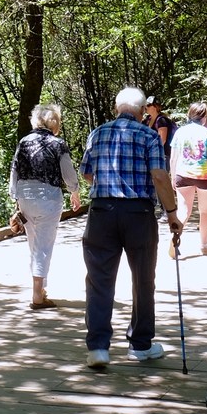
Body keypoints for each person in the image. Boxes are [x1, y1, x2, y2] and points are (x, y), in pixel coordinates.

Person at [78, 86, 182, 369]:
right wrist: (172, 213)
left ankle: (98, 347)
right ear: (141, 112)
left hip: (101, 212)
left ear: (116, 109)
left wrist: (109, 181)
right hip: (138, 212)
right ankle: (140, 344)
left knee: (99, 279)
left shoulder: (97, 133)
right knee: (143, 278)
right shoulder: (148, 135)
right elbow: (159, 177)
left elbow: (87, 173)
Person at [8, 103, 81, 310]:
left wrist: (15, 197)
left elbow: (14, 170)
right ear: (54, 122)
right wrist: (74, 192)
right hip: (48, 197)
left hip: (25, 196)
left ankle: (41, 289)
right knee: (44, 246)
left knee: (34, 244)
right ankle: (37, 295)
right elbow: (68, 173)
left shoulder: (23, 142)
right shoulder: (58, 143)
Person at [169, 102, 207, 255]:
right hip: (204, 177)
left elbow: (173, 158)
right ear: (205, 116)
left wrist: (173, 177)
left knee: (183, 211)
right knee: (205, 211)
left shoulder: (180, 132)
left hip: (182, 175)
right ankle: (204, 246)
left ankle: (175, 239)